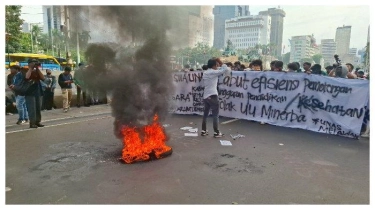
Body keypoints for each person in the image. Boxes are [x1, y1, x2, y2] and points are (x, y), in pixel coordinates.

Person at [201, 58, 230, 138]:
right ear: (214, 65)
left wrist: (219, 65)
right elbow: (225, 69)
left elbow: (221, 69)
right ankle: (216, 132)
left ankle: (203, 130)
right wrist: (221, 62)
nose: (218, 67)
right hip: (213, 95)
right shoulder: (213, 72)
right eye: (216, 65)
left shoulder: (206, 72)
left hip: (206, 96)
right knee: (215, 115)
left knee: (205, 114)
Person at [24, 59, 44, 128]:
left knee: (38, 108)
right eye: (33, 63)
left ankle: (37, 121)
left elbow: (42, 78)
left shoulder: (36, 71)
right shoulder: (25, 70)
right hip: (29, 92)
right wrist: (30, 68)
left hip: (38, 91)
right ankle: (32, 123)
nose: (34, 64)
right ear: (29, 64)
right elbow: (27, 77)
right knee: (32, 108)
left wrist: (37, 69)